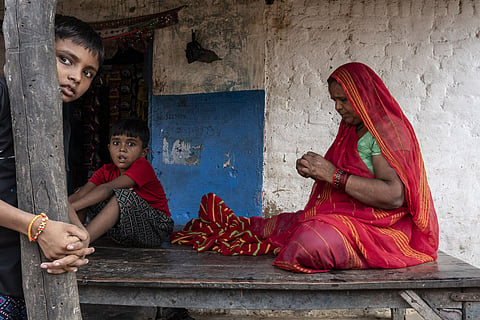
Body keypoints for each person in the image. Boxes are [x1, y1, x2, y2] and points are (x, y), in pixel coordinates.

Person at [171, 62, 439, 273]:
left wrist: (332, 175)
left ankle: (359, 251)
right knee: (279, 225)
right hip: (353, 219)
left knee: (309, 242)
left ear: (363, 95)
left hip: (384, 231)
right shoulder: (354, 129)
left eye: (344, 100)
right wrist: (316, 170)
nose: (338, 107)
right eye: (334, 100)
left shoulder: (386, 133)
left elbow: (394, 196)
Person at [0, 14, 105, 319]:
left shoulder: (59, 118)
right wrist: (38, 227)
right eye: (65, 60)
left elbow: (52, 185)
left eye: (88, 72)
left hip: (26, 275)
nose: (77, 77)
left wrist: (76, 234)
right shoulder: (2, 96)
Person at [68, 118, 174, 247]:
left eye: (131, 144)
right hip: (124, 232)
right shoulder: (105, 170)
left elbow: (107, 188)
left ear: (143, 152)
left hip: (155, 228)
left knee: (122, 197)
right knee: (83, 194)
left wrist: (72, 208)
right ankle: (71, 237)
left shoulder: (143, 167)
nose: (122, 149)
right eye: (116, 143)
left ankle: (81, 243)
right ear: (109, 147)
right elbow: (80, 195)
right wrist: (63, 207)